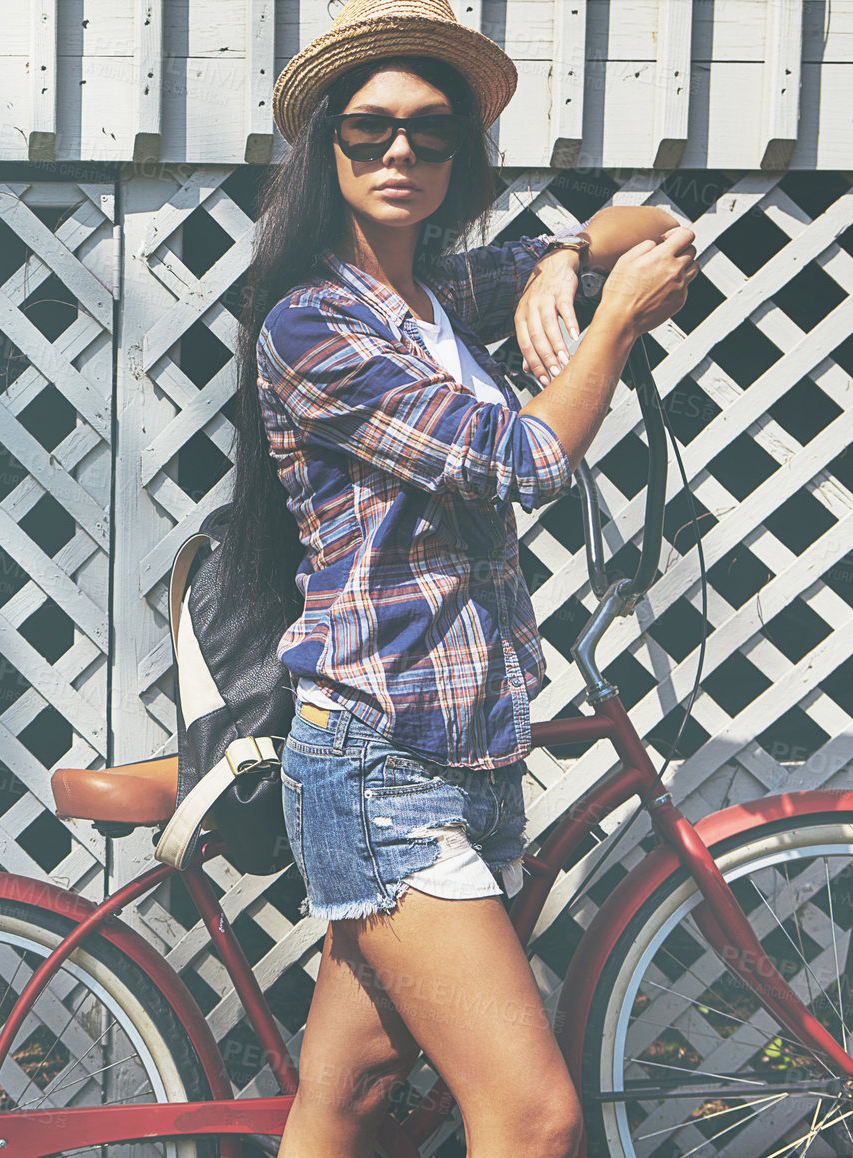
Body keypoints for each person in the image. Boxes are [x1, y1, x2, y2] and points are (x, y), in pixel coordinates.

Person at [224, 1, 699, 1155]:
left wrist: (558, 264)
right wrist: (610, 321)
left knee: (348, 1098)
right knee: (531, 1117)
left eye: (430, 134)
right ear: (325, 146)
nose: (399, 154)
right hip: (380, 761)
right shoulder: (312, 327)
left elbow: (659, 220)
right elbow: (519, 459)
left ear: (462, 155)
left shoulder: (439, 296)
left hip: (472, 751)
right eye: (369, 129)